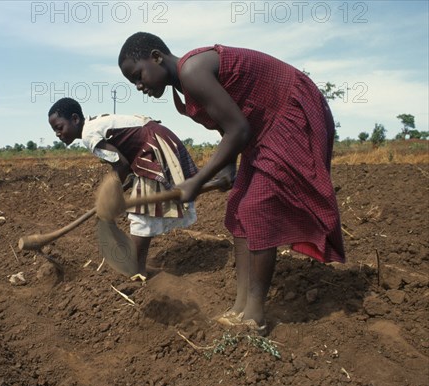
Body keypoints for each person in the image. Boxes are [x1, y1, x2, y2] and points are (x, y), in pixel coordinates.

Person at [118, 32, 346, 333]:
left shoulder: (192, 70)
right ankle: (240, 307)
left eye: (138, 75)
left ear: (157, 57)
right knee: (238, 209)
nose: (139, 86)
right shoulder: (185, 89)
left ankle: (254, 313)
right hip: (262, 128)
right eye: (133, 82)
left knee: (257, 207)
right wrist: (225, 173)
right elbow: (230, 125)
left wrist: (197, 181)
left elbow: (238, 130)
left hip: (286, 113)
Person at [47, 97, 199, 277]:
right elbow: (122, 164)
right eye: (54, 130)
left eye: (59, 127)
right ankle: (137, 269)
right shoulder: (93, 126)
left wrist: (111, 194)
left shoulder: (89, 135)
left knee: (141, 213)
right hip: (155, 141)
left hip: (151, 148)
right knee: (143, 212)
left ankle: (134, 271)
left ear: (75, 119)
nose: (58, 133)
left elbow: (121, 164)